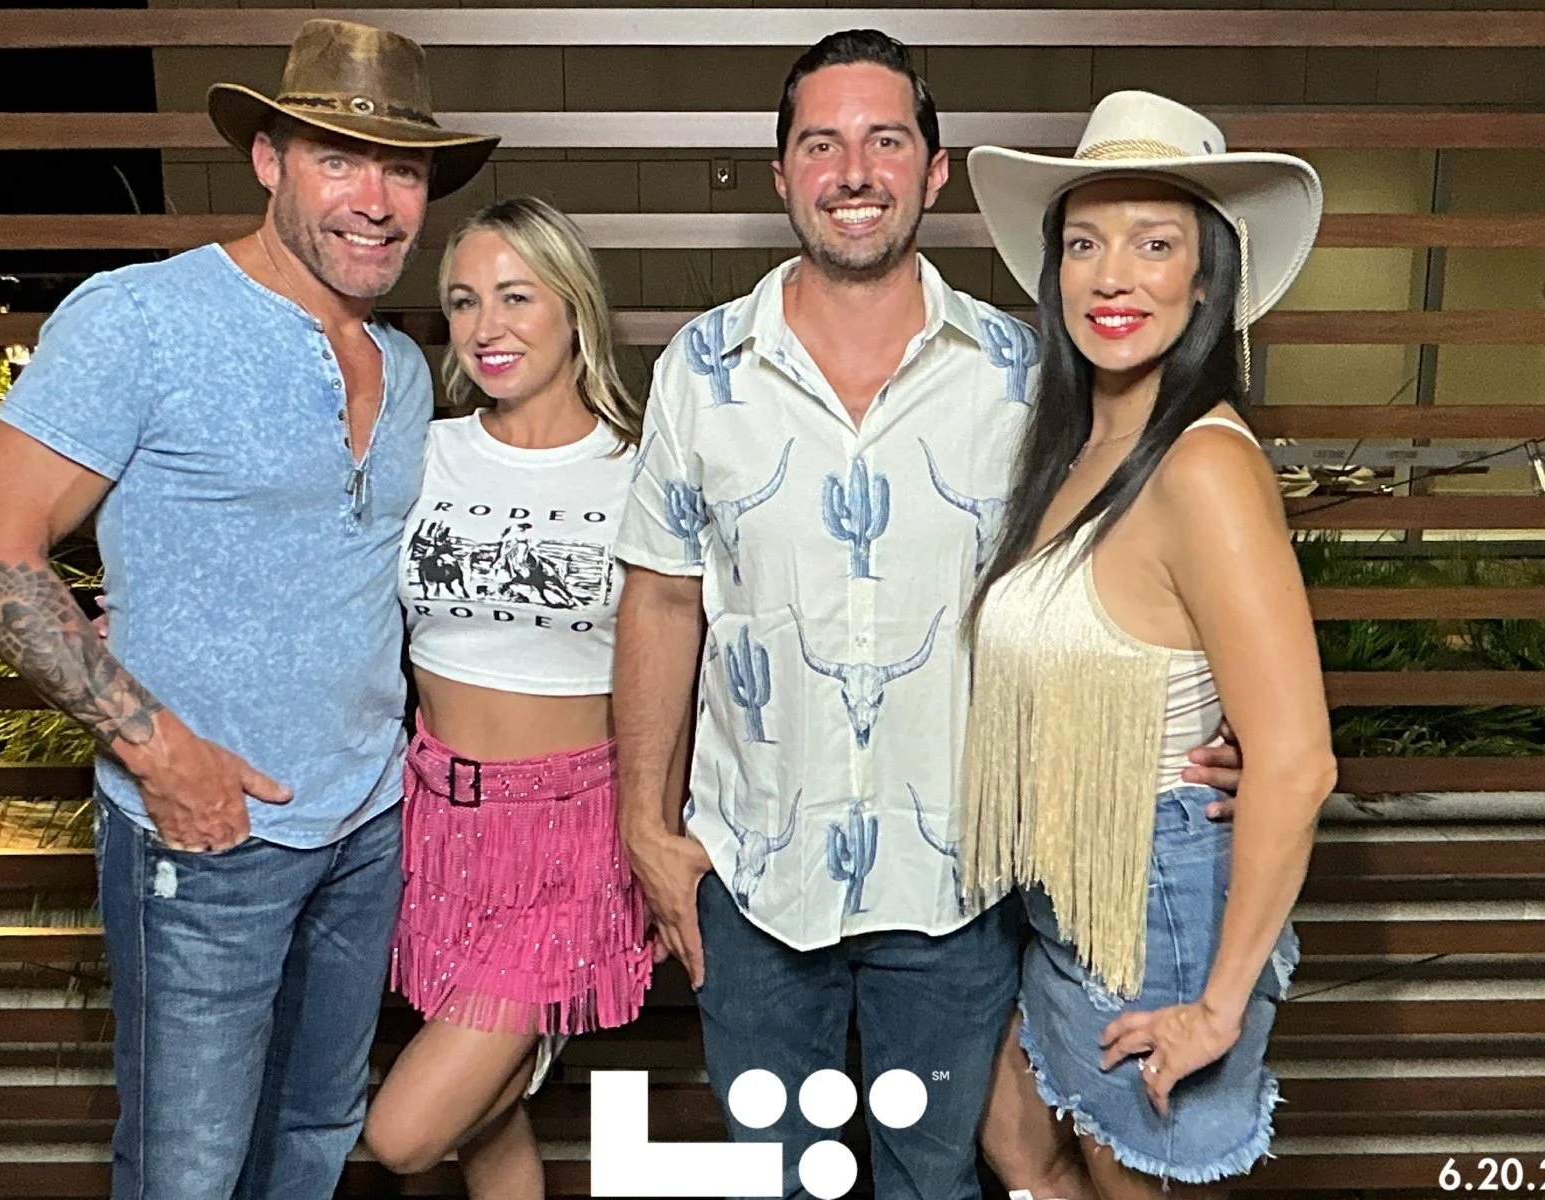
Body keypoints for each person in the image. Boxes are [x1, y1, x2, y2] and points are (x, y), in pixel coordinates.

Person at [611, 33, 1242, 1200]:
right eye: (822, 143)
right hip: (751, 875)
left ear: (935, 170)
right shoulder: (700, 370)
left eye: (884, 140)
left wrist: (1224, 729)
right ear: (782, 174)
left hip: (957, 878)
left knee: (933, 1178)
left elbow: (1126, 581)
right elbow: (657, 598)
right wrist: (644, 829)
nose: (854, 169)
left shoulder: (1026, 377)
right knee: (780, 1177)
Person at [0, 21, 496, 1200]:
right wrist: (161, 752)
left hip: (365, 829)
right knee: (187, 1173)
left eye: (401, 170)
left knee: (311, 1146)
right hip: (201, 836)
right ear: (269, 160)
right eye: (339, 158)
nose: (378, 200)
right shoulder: (142, 318)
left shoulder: (399, 369)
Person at [959, 91, 1337, 1199]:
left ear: (1208, 281)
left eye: (1154, 243)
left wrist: (1219, 1003)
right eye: (1084, 241)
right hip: (1065, 892)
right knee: (1023, 1150)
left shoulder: (1205, 465)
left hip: (1159, 902)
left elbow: (1299, 759)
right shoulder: (1073, 448)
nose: (1111, 274)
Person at [357, 197, 654, 1198]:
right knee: (488, 1134)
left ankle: (537, 1037)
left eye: (517, 296)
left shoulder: (644, 469)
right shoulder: (423, 453)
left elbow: (698, 666)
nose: (488, 327)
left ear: (573, 307)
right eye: (465, 301)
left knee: (405, 1133)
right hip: (433, 822)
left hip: (573, 831)